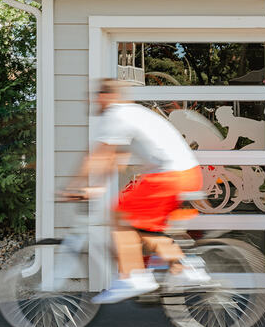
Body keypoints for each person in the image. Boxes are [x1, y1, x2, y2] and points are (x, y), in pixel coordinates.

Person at [65, 79, 209, 304]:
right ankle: (184, 267)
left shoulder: (115, 114)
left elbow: (98, 156)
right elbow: (115, 158)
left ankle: (133, 276)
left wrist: (72, 187)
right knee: (143, 229)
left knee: (119, 216)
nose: (92, 101)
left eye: (95, 96)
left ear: (105, 96)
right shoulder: (132, 113)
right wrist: (98, 187)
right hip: (185, 174)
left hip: (169, 176)